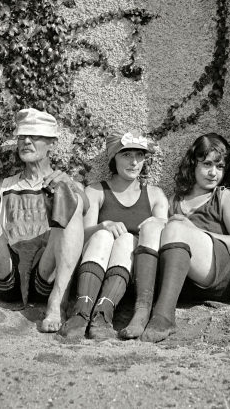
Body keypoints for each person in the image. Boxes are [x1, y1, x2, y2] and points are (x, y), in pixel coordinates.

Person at [0, 108, 88, 333]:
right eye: (21, 137)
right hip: (6, 273)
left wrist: (70, 187)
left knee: (69, 196)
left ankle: (57, 303)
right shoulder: (3, 185)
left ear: (52, 143)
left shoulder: (65, 182)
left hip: (45, 274)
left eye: (34, 136)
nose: (26, 141)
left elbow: (83, 209)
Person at [121, 133, 230, 342]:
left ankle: (164, 316)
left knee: (174, 227)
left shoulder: (224, 196)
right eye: (207, 164)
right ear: (193, 164)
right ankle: (142, 309)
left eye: (219, 167)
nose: (213, 173)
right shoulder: (174, 199)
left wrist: (195, 231)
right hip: (182, 285)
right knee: (152, 226)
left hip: (219, 279)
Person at [59, 130, 168, 339]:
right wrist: (103, 226)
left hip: (133, 277)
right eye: (126, 155)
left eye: (139, 155)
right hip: (94, 270)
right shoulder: (96, 191)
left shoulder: (155, 195)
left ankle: (103, 314)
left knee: (127, 239)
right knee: (101, 235)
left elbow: (162, 235)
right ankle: (81, 312)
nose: (134, 162)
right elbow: (79, 237)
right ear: (113, 157)